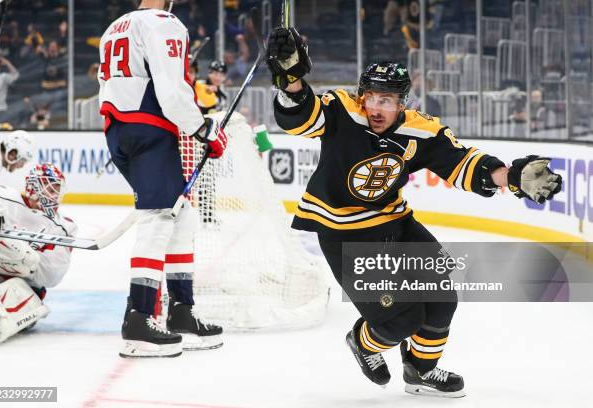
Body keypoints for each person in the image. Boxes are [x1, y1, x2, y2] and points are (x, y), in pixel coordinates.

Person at [267, 27, 562, 397]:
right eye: (370, 97)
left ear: (402, 102)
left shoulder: (421, 130)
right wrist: (291, 81)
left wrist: (510, 175)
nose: (375, 107)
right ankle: (363, 341)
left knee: (442, 299)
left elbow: (462, 163)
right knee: (399, 320)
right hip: (343, 232)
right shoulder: (342, 110)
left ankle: (421, 371)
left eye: (386, 100)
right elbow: (301, 118)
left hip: (396, 223)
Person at [98, 0, 227, 358]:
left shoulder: (115, 27)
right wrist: (203, 130)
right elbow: (172, 91)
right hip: (150, 131)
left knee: (181, 213)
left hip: (119, 131)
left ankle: (181, 311)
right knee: (158, 218)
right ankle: (138, 319)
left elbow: (105, 86)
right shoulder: (163, 22)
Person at [0, 163, 77, 344]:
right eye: (51, 187)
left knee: (27, 301)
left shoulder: (64, 227)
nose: (55, 195)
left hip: (23, 286)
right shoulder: (0, 196)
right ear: (34, 186)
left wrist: (23, 259)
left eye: (58, 189)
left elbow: (52, 276)